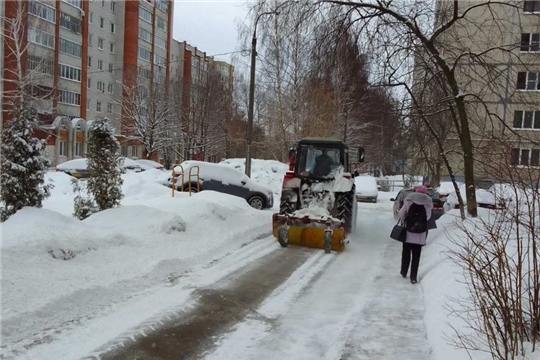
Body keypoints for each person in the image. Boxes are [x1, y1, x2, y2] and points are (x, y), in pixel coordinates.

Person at [398, 186, 433, 284]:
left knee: (406, 253)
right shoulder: (427, 204)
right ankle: (413, 277)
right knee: (416, 256)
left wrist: (406, 220)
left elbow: (401, 213)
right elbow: (428, 217)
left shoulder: (409, 201)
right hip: (420, 234)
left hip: (408, 232)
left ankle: (404, 271)